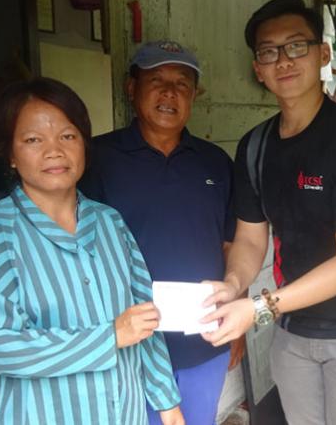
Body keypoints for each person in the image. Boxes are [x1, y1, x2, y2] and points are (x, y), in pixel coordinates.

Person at [201, 0, 336, 425]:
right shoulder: (255, 146)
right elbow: (251, 236)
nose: (283, 60)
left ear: (323, 54)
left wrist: (256, 308)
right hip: (292, 330)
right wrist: (234, 284)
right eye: (269, 52)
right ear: (258, 69)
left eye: (297, 46)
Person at [0, 78, 184, 425]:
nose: (54, 151)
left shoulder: (110, 224)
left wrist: (168, 404)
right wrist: (108, 338)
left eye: (67, 136)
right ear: (11, 156)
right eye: (33, 140)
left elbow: (144, 319)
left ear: (84, 146)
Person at [79, 40, 236, 425]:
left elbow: (230, 246)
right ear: (131, 88)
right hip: (126, 347)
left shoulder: (215, 162)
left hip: (203, 345)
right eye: (156, 80)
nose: (170, 92)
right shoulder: (95, 158)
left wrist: (239, 322)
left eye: (182, 83)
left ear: (194, 95)